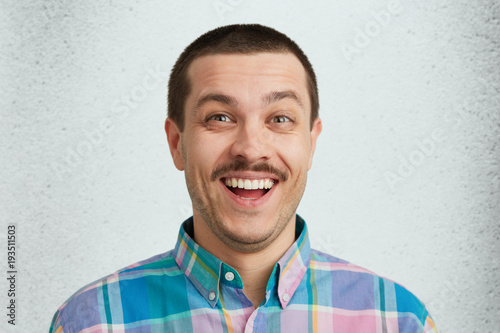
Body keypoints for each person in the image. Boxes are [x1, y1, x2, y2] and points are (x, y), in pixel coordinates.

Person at [50, 24, 438, 333]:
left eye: (280, 119)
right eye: (220, 117)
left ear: (311, 143)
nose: (251, 149)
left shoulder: (398, 321)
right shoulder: (90, 323)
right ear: (176, 143)